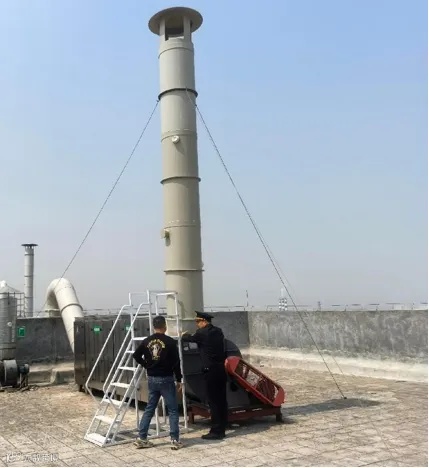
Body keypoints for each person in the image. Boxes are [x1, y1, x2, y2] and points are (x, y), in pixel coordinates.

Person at [132, 315, 183, 450]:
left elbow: (136, 355)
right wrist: (179, 379)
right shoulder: (170, 342)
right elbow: (176, 363)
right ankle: (174, 439)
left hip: (152, 378)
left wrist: (147, 365)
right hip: (166, 379)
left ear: (154, 327)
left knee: (149, 408)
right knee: (172, 410)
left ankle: (142, 438)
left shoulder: (146, 341)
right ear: (165, 326)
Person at [182, 311, 228, 440]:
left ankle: (216, 431)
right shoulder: (218, 331)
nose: (196, 324)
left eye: (197, 321)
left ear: (204, 321)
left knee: (213, 401)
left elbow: (188, 338)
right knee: (222, 400)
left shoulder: (202, 333)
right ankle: (222, 427)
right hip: (221, 369)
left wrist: (183, 334)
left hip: (210, 371)